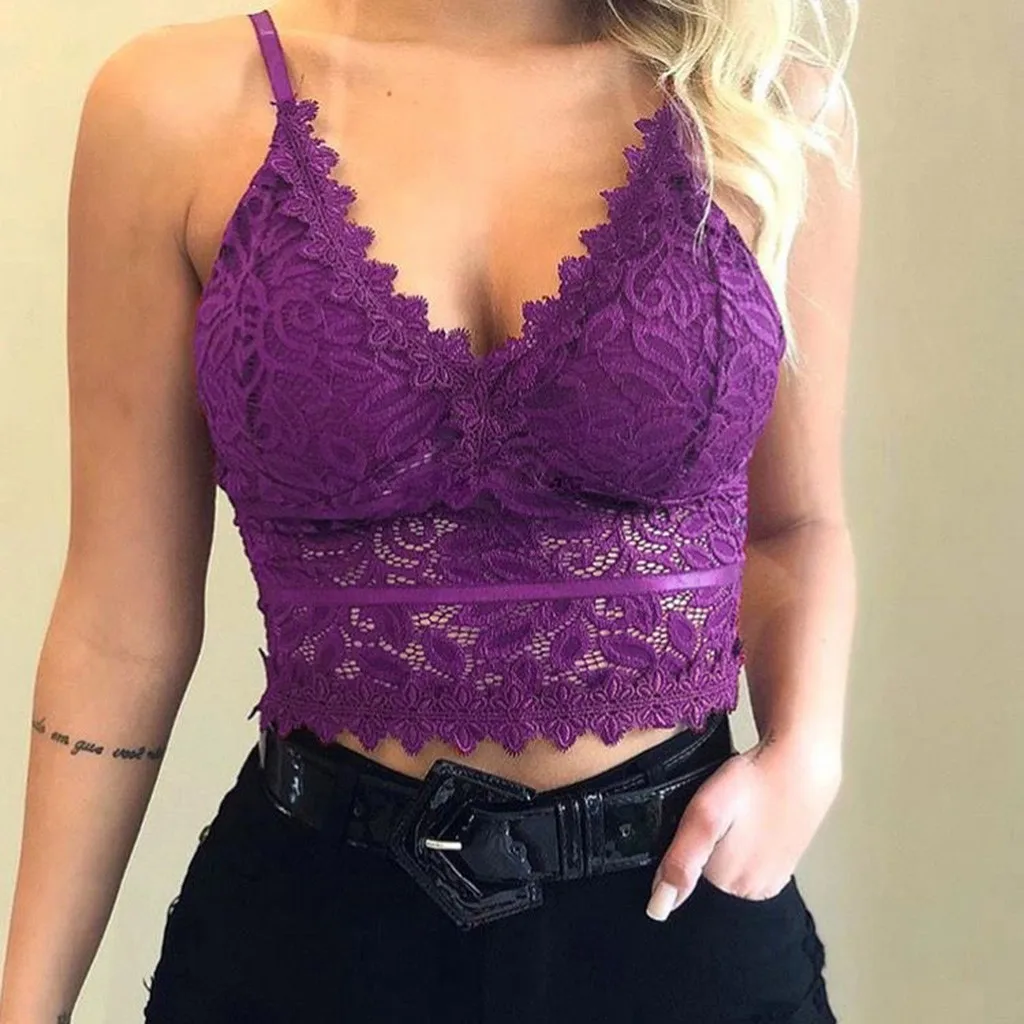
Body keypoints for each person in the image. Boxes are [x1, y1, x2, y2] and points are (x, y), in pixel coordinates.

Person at [0, 1, 861, 1021]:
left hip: (677, 924)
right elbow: (118, 622)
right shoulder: (171, 108)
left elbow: (794, 526)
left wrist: (807, 751)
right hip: (306, 940)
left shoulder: (762, 106)